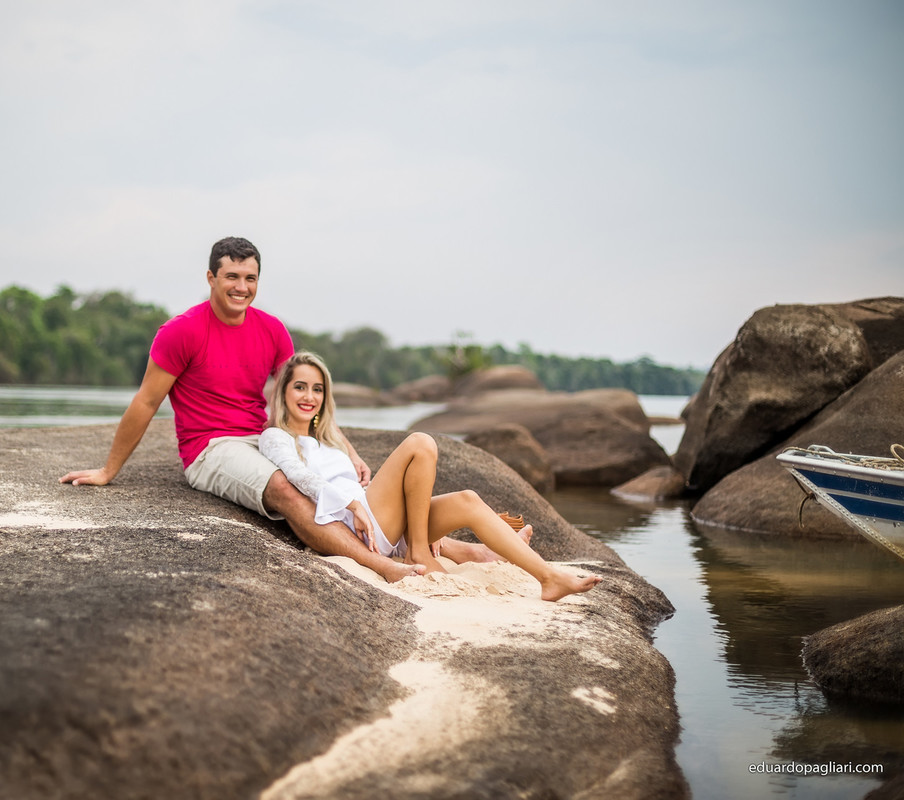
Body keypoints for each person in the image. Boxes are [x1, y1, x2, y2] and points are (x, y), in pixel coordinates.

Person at [59, 236, 424, 582]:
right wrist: (109, 470)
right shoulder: (181, 331)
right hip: (212, 447)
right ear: (211, 278)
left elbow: (303, 400)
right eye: (231, 276)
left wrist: (348, 451)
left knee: (333, 482)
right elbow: (147, 401)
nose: (241, 287)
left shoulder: (272, 329)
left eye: (250, 278)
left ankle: (433, 548)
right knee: (285, 486)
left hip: (265, 437)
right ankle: (380, 565)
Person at [259, 352, 603, 601]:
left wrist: (415, 519)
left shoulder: (330, 438)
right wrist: (354, 502)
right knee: (421, 442)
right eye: (300, 387)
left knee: (467, 500)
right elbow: (297, 477)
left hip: (379, 517)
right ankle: (420, 552)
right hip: (354, 524)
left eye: (317, 389)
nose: (309, 397)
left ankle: (548, 577)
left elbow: (372, 484)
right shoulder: (275, 437)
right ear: (284, 392)